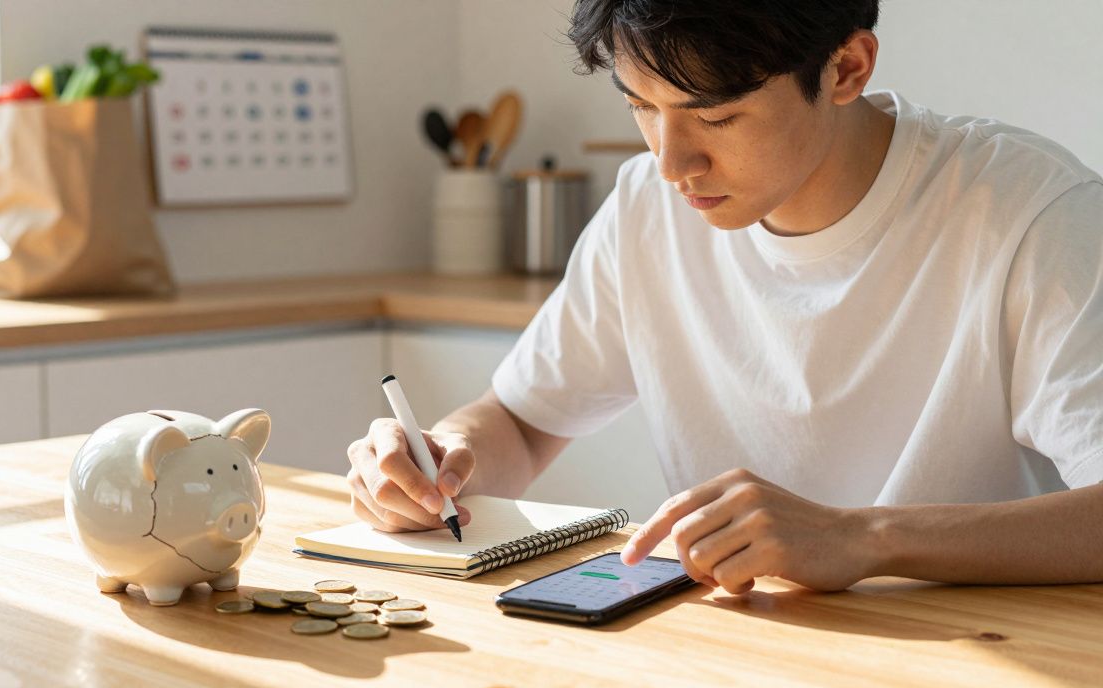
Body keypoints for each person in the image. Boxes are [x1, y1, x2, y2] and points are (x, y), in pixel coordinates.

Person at [345, 0, 1103, 594]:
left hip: (985, 655)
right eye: (641, 105)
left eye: (715, 114)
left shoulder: (1030, 211)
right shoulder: (646, 207)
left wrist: (864, 539)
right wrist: (439, 461)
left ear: (846, 68)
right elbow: (522, 419)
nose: (672, 161)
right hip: (743, 646)